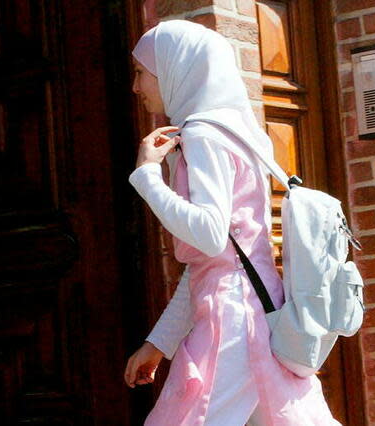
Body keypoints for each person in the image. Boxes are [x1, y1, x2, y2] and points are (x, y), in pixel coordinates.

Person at [122, 20, 338, 425]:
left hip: (233, 323)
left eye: (141, 73)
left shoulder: (203, 135)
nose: (136, 87)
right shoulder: (238, 131)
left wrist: (147, 176)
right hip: (255, 310)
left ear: (175, 68)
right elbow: (217, 263)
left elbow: (207, 233)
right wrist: (159, 342)